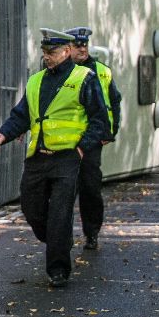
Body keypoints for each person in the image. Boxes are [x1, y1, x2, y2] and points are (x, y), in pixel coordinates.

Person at [0, 29, 109, 288]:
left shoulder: (84, 78)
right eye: (44, 52)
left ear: (66, 51)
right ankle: (60, 240)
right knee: (31, 208)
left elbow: (100, 119)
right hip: (38, 156)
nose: (47, 57)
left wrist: (82, 148)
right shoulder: (35, 81)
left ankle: (58, 270)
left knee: (59, 213)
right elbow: (22, 114)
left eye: (52, 52)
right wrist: (5, 133)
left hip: (68, 157)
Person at [64, 26, 122, 249]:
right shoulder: (60, 71)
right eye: (78, 45)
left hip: (92, 140)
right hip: (65, 140)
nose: (82, 49)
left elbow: (114, 102)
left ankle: (92, 233)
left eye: (85, 45)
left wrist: (111, 131)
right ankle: (62, 236)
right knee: (64, 191)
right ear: (68, 48)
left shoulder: (102, 71)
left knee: (90, 188)